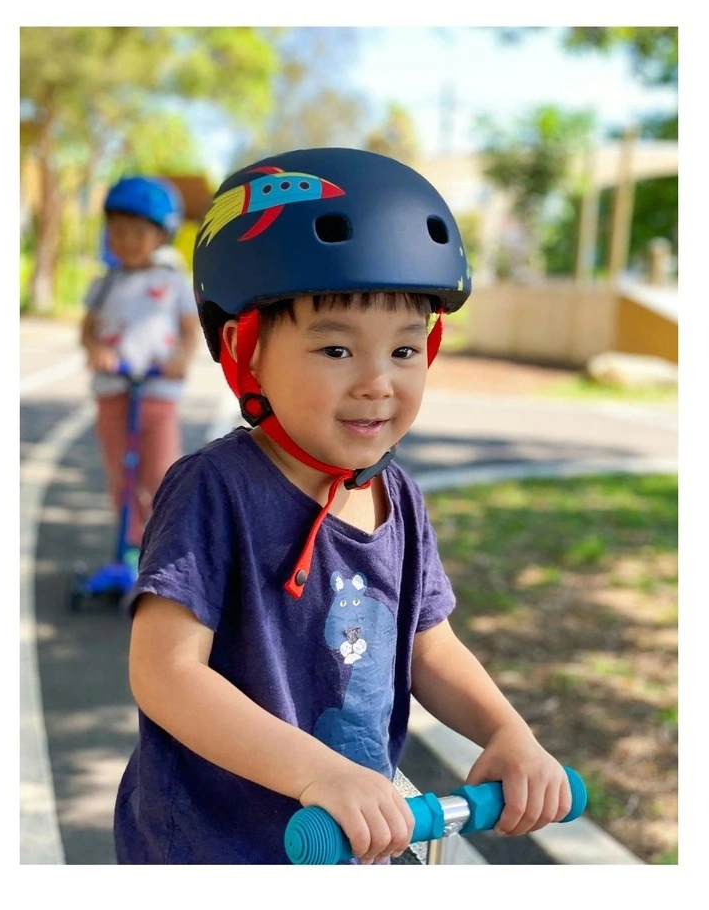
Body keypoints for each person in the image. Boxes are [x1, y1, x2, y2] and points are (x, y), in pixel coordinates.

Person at [113, 148, 572, 865]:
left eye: (405, 351)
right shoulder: (215, 489)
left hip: (352, 844)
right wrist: (316, 772)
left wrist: (507, 732)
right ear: (246, 350)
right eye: (335, 349)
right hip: (217, 851)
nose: (376, 384)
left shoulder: (400, 498)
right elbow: (166, 673)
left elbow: (430, 647)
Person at [80, 176, 199, 552]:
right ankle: (129, 548)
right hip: (114, 392)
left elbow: (188, 329)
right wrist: (97, 349)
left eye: (137, 232)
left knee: (161, 475)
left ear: (162, 235)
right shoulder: (105, 283)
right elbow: (88, 330)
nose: (127, 241)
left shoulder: (174, 281)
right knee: (122, 477)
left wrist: (180, 358)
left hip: (158, 394)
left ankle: (164, 548)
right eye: (117, 231)